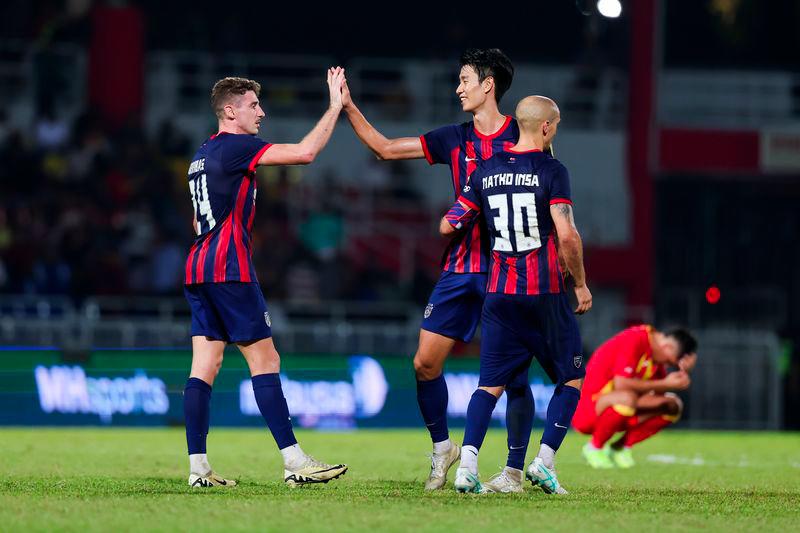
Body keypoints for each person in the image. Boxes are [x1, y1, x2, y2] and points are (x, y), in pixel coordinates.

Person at [342, 48, 537, 492]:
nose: (458, 87)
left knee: (515, 375)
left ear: (489, 85)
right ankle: (441, 448)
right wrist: (349, 107)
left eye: (465, 79)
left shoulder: (525, 137)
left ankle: (514, 470)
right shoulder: (453, 138)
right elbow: (387, 149)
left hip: (507, 272)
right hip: (459, 269)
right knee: (424, 363)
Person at [182, 70, 349, 488]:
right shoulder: (235, 147)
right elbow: (305, 153)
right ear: (229, 110)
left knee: (205, 365)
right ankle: (294, 461)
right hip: (229, 267)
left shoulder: (201, 154)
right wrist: (335, 107)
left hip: (199, 266)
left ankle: (198, 469)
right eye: (253, 105)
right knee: (266, 360)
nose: (262, 111)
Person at [440, 95, 592, 495]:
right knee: (572, 377)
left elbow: (448, 223)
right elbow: (568, 235)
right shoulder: (552, 170)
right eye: (555, 125)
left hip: (499, 295)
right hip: (543, 293)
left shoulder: (486, 170)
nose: (555, 131)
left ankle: (468, 467)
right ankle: (543, 463)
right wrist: (579, 283)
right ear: (545, 127)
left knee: (489, 386)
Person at [573, 325, 698, 469]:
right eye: (670, 362)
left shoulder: (654, 355)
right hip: (588, 409)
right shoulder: (636, 339)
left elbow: (658, 398)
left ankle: (619, 448)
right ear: (667, 347)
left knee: (672, 406)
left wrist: (682, 374)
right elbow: (622, 384)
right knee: (627, 398)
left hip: (618, 409)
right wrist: (665, 383)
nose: (667, 365)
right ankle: (594, 448)